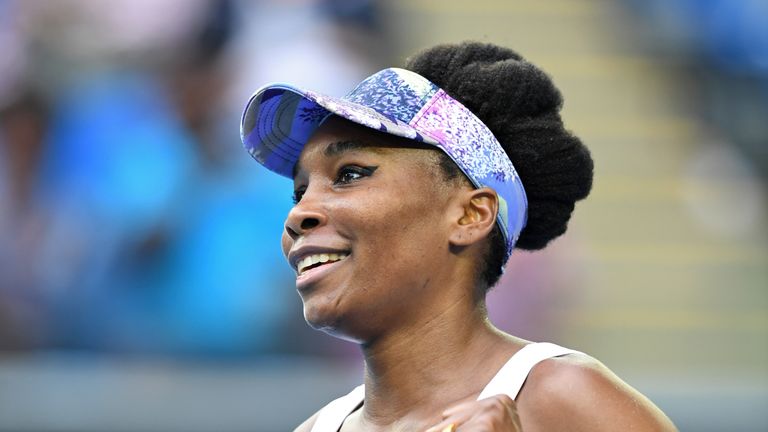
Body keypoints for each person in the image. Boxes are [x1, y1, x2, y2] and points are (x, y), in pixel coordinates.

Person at [240, 42, 677, 432]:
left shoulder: (563, 400)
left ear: (470, 214)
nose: (299, 214)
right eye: (299, 190)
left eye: (350, 174)